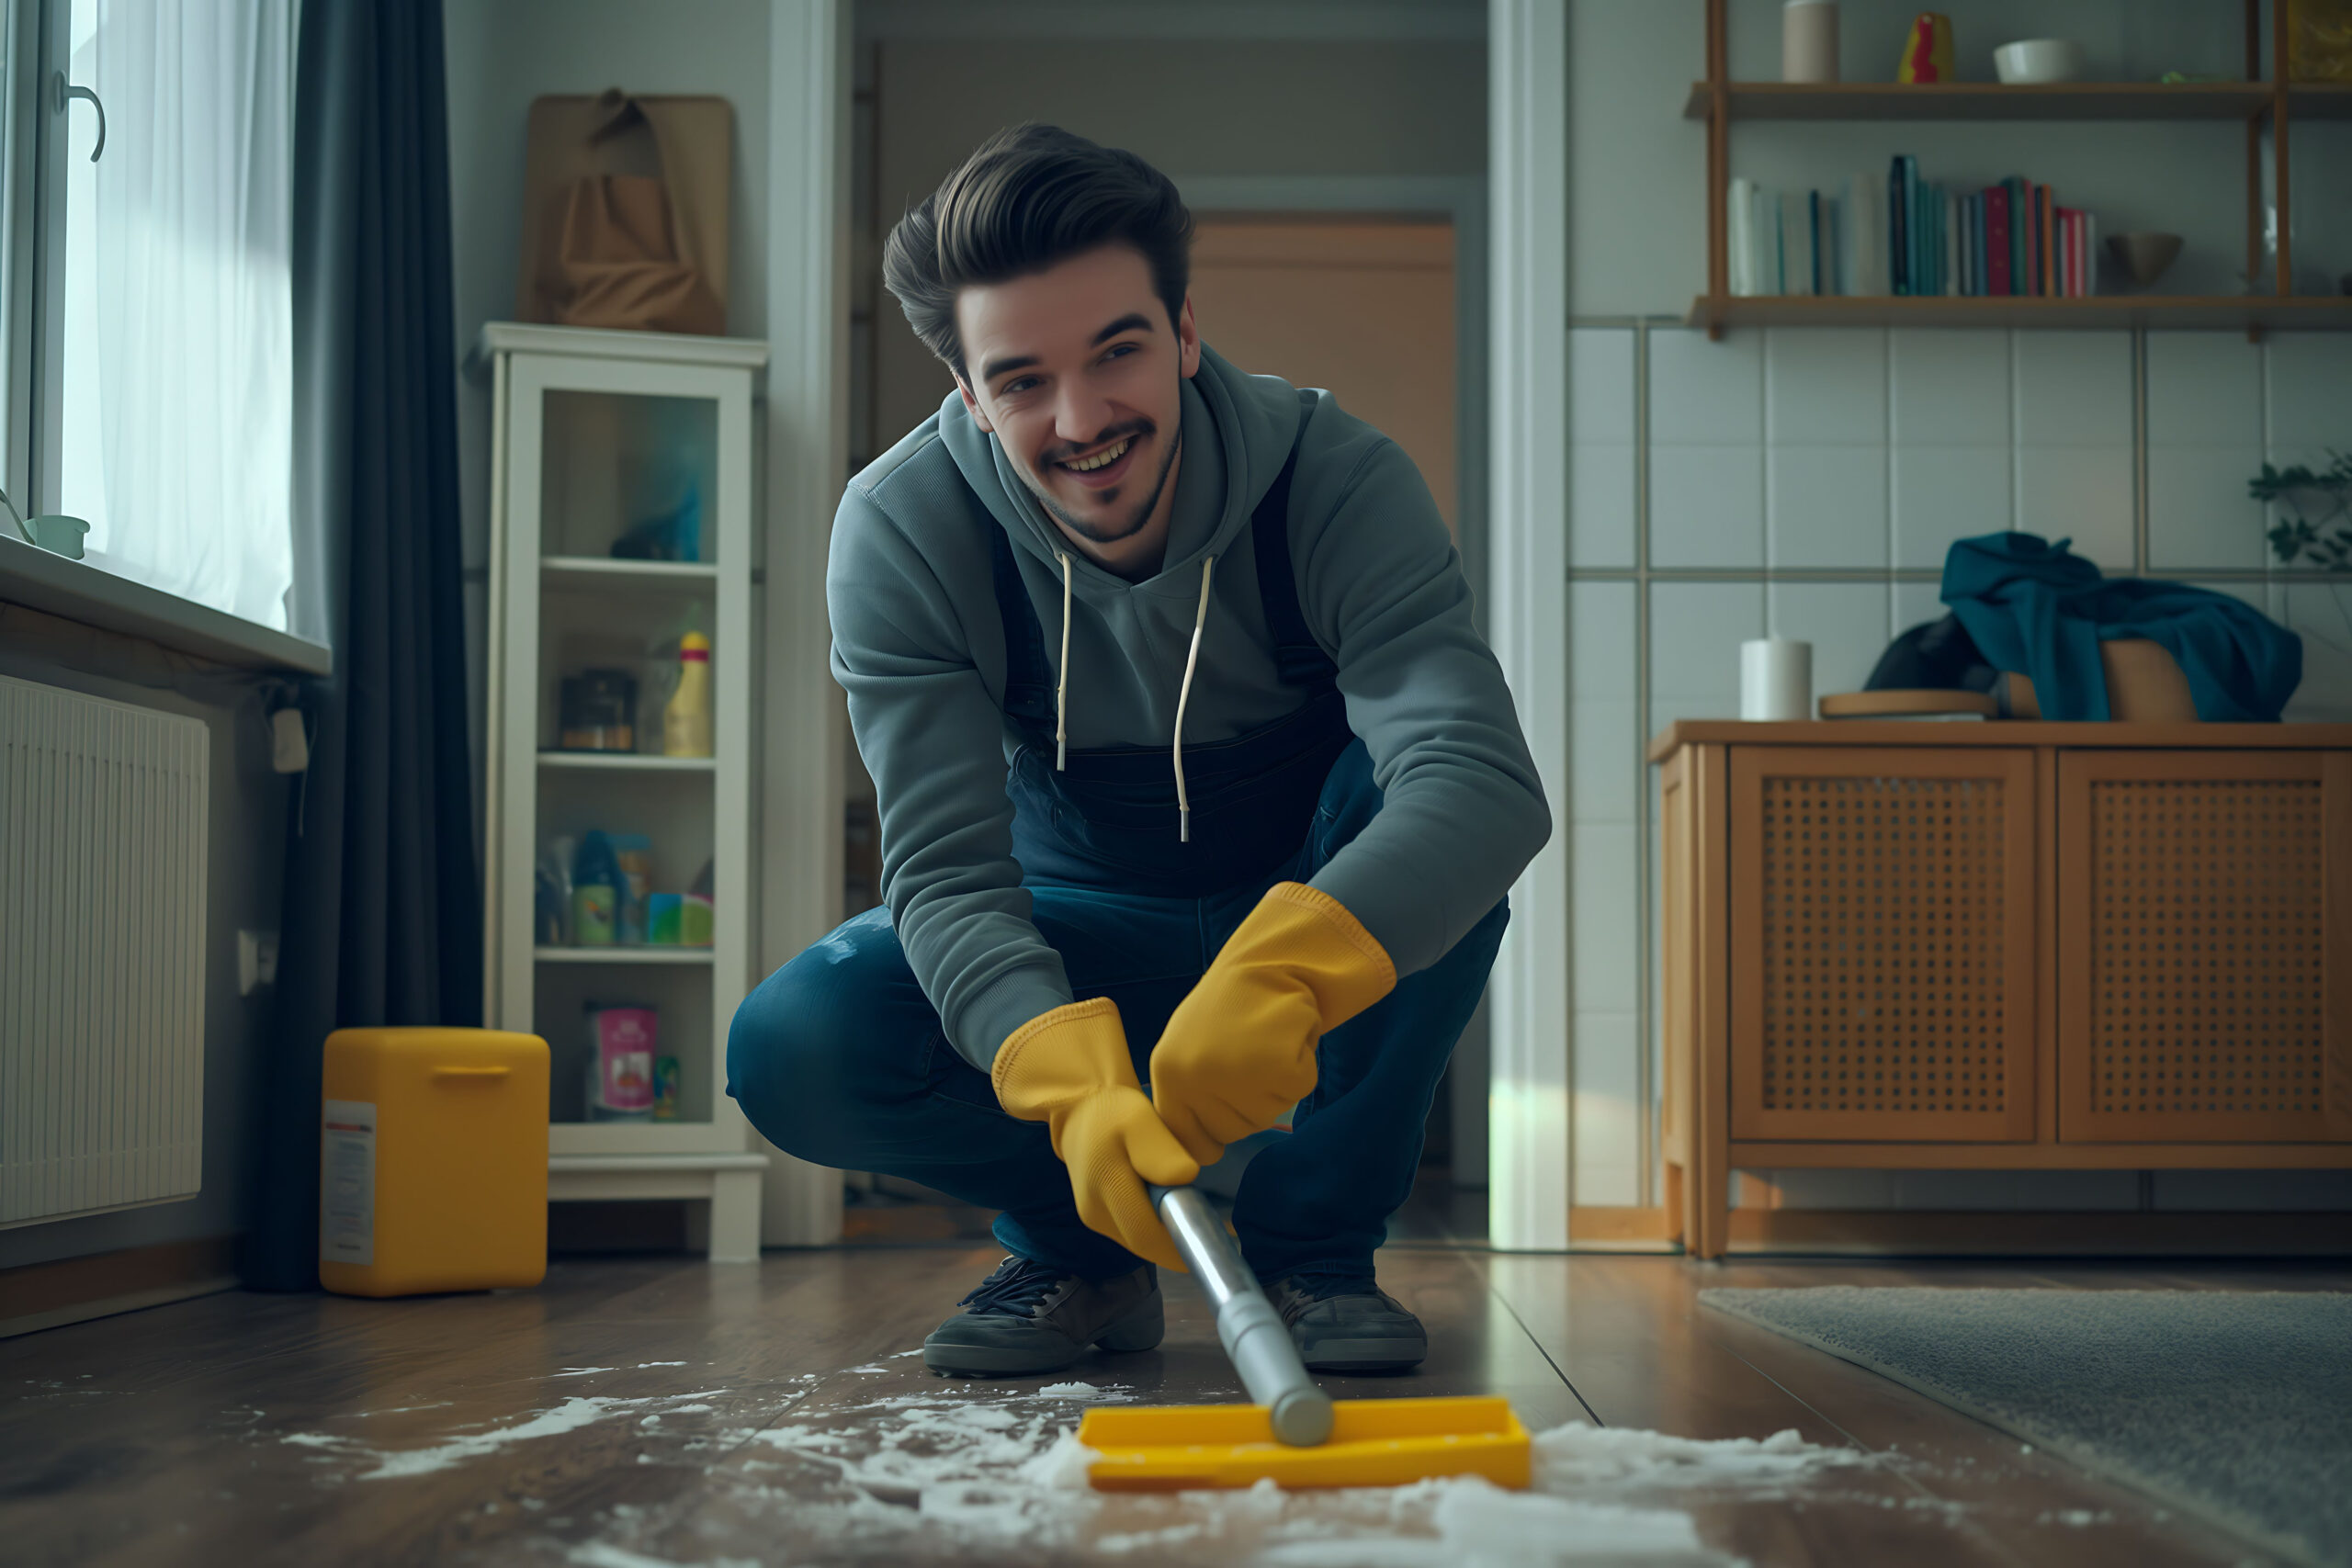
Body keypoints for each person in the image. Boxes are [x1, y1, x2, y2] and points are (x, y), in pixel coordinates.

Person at [728, 123, 1548, 1378]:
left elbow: (1482, 783)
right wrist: (1057, 1073)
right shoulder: (903, 528)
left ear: (1185, 333)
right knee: (794, 1041)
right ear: (968, 397)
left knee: (1428, 824)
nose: (1082, 420)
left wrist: (1289, 974)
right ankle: (1083, 1250)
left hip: (1305, 886)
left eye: (1117, 352)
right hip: (1079, 919)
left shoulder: (1336, 480)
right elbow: (945, 872)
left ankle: (1316, 1250)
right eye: (1021, 382)